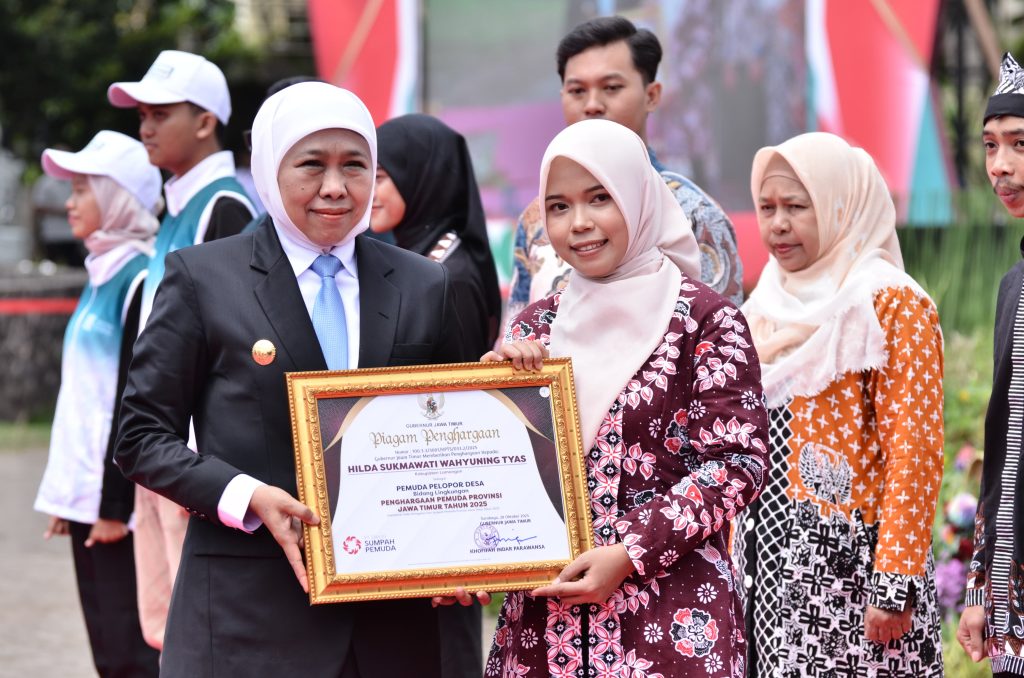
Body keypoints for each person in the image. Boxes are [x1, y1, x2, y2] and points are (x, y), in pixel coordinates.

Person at [114, 82, 465, 678]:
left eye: (355, 166)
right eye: (312, 165)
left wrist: (507, 375)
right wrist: (244, 496)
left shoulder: (423, 283)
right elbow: (141, 435)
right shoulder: (203, 278)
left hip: (391, 624)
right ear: (271, 169)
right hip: (247, 616)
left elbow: (456, 428)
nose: (335, 187)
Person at [478, 118, 768, 676]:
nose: (579, 224)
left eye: (599, 199)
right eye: (558, 207)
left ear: (638, 198)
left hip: (671, 618)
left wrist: (630, 551)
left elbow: (737, 465)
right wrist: (496, 399)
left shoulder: (705, 322)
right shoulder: (538, 324)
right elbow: (501, 476)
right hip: (545, 627)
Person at [734, 132, 944, 677]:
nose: (778, 224)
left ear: (840, 206)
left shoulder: (891, 303)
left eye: (797, 206)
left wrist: (896, 582)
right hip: (765, 570)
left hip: (854, 581)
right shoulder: (763, 307)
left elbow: (915, 451)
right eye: (767, 207)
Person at [107, 48, 257, 650]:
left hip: (191, 457)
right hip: (162, 448)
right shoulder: (179, 206)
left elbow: (233, 341)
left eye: (161, 112)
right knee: (163, 627)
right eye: (141, 112)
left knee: (200, 631)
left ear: (205, 121)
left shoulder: (226, 206)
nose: (145, 124)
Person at [505, 15, 743, 327]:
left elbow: (721, 341)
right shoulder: (536, 220)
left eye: (611, 87)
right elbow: (515, 336)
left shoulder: (696, 214)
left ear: (652, 95)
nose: (592, 105)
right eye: (577, 91)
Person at [33, 130, 162, 677]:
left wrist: (112, 507)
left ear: (117, 198)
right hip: (91, 501)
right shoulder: (101, 273)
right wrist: (70, 497)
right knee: (106, 650)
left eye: (83, 190)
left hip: (120, 507)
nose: (69, 202)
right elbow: (82, 398)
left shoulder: (137, 281)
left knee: (129, 652)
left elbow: (133, 403)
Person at [960, 51, 1024, 676]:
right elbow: (1004, 449)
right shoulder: (1015, 285)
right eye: (989, 146)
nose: (1001, 167)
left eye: (1020, 144)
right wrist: (982, 590)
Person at [373, 113, 502, 357]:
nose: (368, 192)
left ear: (421, 178)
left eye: (379, 178)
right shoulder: (417, 258)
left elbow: (465, 388)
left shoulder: (453, 278)